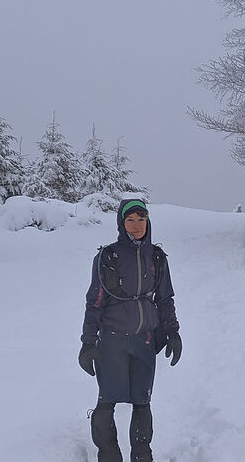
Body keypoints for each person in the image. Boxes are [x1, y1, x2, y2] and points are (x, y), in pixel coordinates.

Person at [78, 198, 182, 462]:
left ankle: (141, 454)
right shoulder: (107, 256)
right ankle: (109, 454)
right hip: (112, 341)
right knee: (107, 401)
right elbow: (96, 300)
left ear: (148, 222)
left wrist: (172, 331)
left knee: (142, 401)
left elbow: (165, 297)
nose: (137, 226)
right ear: (121, 223)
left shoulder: (157, 257)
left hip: (145, 340)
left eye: (142, 220)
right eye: (130, 220)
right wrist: (88, 341)